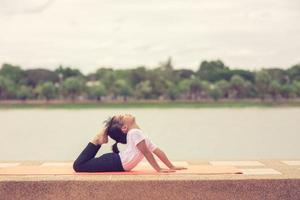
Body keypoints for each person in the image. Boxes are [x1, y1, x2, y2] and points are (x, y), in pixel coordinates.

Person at [73, 114, 187, 173]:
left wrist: (171, 166)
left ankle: (98, 140)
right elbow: (147, 153)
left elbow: (156, 150)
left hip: (117, 162)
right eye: (123, 116)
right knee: (78, 166)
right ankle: (97, 139)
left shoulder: (139, 134)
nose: (126, 114)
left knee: (81, 165)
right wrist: (159, 169)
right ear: (124, 127)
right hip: (115, 162)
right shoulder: (134, 133)